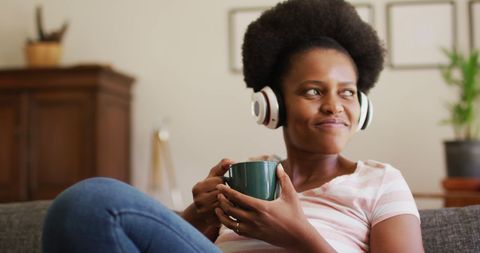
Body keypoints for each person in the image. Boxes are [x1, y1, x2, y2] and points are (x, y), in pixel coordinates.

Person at [42, 0, 424, 252]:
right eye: (312, 91)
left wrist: (300, 236)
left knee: (92, 202)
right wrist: (198, 216)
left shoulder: (381, 183)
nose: (334, 106)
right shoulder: (249, 176)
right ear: (271, 104)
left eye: (348, 92)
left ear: (363, 104)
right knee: (80, 211)